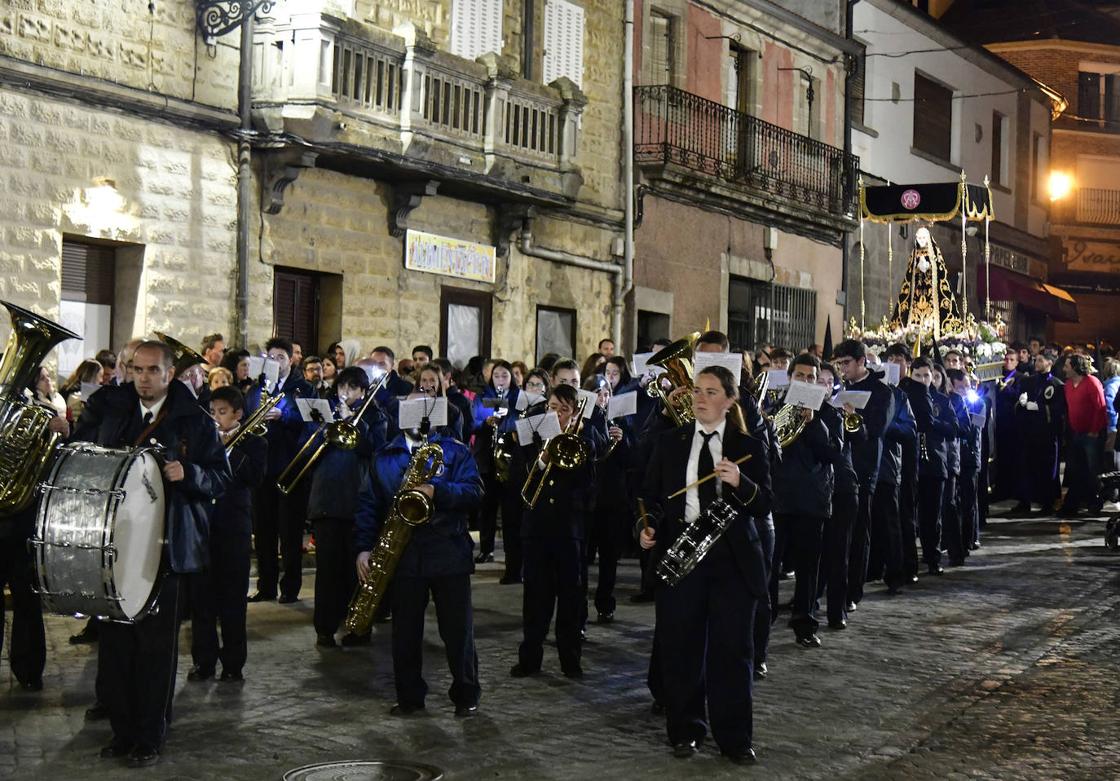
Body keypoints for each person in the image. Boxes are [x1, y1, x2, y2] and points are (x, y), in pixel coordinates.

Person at [72, 340, 230, 767]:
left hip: (166, 548)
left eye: (151, 371)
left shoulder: (194, 419)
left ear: (170, 373)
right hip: (113, 545)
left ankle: (149, 735)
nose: (142, 378)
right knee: (117, 647)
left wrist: (189, 472)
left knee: (156, 650)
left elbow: (221, 477)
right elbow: (78, 453)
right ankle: (122, 732)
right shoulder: (110, 407)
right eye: (136, 370)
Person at [639, 366, 770, 764]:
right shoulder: (669, 442)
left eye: (711, 392)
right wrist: (645, 528)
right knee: (681, 650)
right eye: (697, 391)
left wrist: (740, 483)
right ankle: (686, 730)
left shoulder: (749, 445)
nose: (700, 399)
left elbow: (766, 503)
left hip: (732, 563)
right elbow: (649, 498)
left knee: (733, 652)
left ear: (730, 400)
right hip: (682, 559)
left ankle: (734, 738)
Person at [354, 415, 484, 718]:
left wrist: (437, 490)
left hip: (448, 551)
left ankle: (466, 695)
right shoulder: (385, 455)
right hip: (404, 554)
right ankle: (409, 696)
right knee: (405, 632)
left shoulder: (455, 451)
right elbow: (368, 505)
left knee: (457, 631)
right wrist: (363, 548)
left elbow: (475, 493)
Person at [512, 384, 599, 679]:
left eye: (564, 409)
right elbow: (518, 474)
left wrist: (577, 439)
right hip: (536, 528)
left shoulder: (584, 439)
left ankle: (570, 660)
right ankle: (530, 659)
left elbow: (589, 483)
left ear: (574, 413)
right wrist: (543, 457)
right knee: (535, 597)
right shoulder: (531, 433)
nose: (557, 414)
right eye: (552, 407)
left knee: (571, 599)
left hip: (569, 529)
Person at [189, 386, 266, 683]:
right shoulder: (203, 441)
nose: (215, 418)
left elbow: (254, 477)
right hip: (205, 527)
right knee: (202, 599)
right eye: (212, 412)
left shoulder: (255, 444)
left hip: (234, 528)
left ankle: (233, 663)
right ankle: (203, 661)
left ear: (237, 414)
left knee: (234, 600)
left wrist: (230, 447)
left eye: (222, 412)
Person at [306, 367, 386, 648]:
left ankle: (359, 626)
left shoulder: (375, 416)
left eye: (352, 389)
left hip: (358, 501)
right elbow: (307, 452)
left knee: (358, 570)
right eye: (342, 387)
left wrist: (356, 423)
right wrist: (325, 428)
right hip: (327, 500)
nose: (346, 393)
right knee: (327, 570)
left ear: (363, 392)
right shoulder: (325, 415)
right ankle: (324, 628)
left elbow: (376, 449)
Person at [770, 354, 840, 648]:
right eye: (801, 377)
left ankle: (805, 624)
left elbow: (833, 452)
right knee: (771, 566)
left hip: (812, 500)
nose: (807, 382)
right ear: (790, 378)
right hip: (778, 499)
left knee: (808, 568)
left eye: (812, 378)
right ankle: (765, 617)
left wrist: (813, 423)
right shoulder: (775, 408)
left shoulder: (828, 413)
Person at [248, 337, 314, 603]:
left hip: (290, 466)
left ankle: (290, 587)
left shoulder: (303, 387)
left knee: (289, 532)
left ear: (290, 360)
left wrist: (284, 416)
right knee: (263, 532)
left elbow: (313, 419)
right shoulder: (257, 387)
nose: (274, 362)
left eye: (280, 358)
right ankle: (265, 586)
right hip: (262, 467)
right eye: (270, 358)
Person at [830, 339, 893, 611]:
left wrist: (856, 418)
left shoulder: (882, 392)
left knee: (858, 533)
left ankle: (852, 592)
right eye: (839, 364)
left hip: (864, 468)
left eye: (846, 363)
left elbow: (878, 430)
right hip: (836, 469)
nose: (842, 369)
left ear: (861, 362)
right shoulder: (837, 387)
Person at [883, 344, 934, 583]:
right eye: (890, 358)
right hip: (887, 458)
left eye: (899, 359)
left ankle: (909, 565)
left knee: (905, 511)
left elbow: (923, 422)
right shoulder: (883, 386)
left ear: (908, 363)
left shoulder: (915, 388)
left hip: (908, 456)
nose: (895, 362)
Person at [470, 360, 521, 571]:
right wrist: (486, 422)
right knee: (487, 506)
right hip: (487, 457)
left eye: (504, 376)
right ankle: (486, 547)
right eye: (497, 376)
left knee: (510, 509)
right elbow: (473, 422)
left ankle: (512, 554)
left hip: (509, 458)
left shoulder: (517, 397)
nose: (500, 380)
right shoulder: (483, 397)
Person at [911, 357, 956, 575]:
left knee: (932, 514)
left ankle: (932, 557)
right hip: (911, 464)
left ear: (933, 377)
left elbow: (954, 428)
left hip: (935, 462)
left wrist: (932, 423)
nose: (922, 380)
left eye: (926, 376)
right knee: (910, 514)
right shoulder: (906, 397)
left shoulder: (942, 400)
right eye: (917, 376)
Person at [1012, 350, 1065, 515]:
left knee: (1047, 469)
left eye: (1041, 360)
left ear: (1049, 363)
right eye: (1037, 360)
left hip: (1046, 435)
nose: (1037, 363)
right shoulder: (1028, 381)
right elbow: (1021, 400)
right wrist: (1021, 403)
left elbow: (1058, 410)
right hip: (1029, 432)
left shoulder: (1057, 385)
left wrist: (1040, 408)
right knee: (1026, 467)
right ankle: (1025, 501)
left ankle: (1047, 503)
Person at [1061, 354, 1107, 516]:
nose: (1064, 369)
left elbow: (1100, 408)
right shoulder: (1067, 385)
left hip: (1092, 434)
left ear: (1075, 367)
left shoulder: (1092, 383)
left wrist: (1094, 430)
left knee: (1093, 470)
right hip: (1076, 432)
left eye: (1067, 366)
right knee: (1077, 469)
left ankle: (1096, 502)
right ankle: (1076, 503)